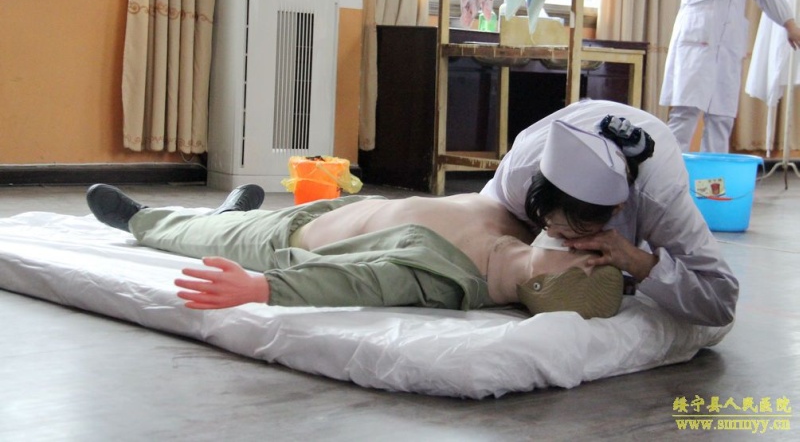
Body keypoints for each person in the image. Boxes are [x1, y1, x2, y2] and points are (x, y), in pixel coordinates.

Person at [85, 182, 626, 320]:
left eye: (582, 258)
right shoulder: (525, 232)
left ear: (541, 282)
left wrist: (261, 287)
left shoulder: (442, 279)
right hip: (348, 206)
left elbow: (354, 282)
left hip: (287, 238)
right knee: (233, 220)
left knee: (198, 233)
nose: (585, 248)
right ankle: (231, 212)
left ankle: (139, 217)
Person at [480, 98, 739, 327]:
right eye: (546, 224)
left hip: (654, 160)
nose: (554, 236)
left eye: (569, 235)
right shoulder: (519, 172)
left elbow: (720, 300)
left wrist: (637, 262)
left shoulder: (661, 199)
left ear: (617, 209)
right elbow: (481, 232)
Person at [659, 0, 800, 153]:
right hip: (698, 40)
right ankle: (670, 172)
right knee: (686, 114)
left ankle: (713, 175)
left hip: (728, 45)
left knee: (722, 119)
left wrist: (790, 24)